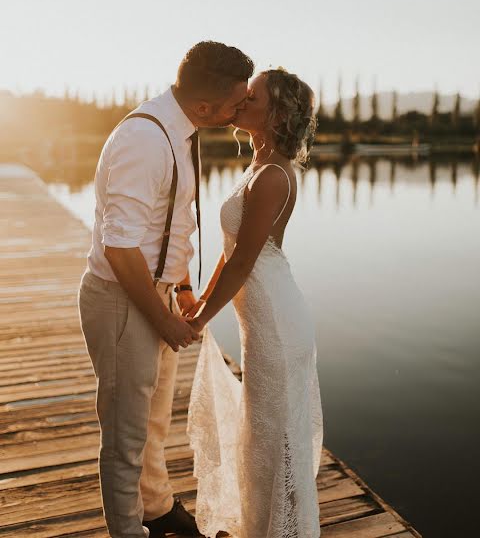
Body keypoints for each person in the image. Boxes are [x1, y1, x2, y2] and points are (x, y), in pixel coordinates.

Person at [77, 41, 254, 538]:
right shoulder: (145, 140)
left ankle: (156, 508)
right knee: (125, 433)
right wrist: (162, 321)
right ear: (205, 106)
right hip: (121, 300)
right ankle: (128, 530)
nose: (242, 110)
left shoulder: (183, 128)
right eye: (237, 102)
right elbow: (120, 247)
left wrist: (180, 289)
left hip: (158, 293)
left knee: (153, 422)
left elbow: (168, 224)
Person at [186, 68, 324, 538]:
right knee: (262, 436)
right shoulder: (259, 166)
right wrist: (200, 301)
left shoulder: (271, 176)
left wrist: (201, 317)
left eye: (253, 96)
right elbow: (232, 257)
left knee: (276, 439)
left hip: (277, 326)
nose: (242, 100)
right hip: (261, 321)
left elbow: (243, 262)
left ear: (277, 112)